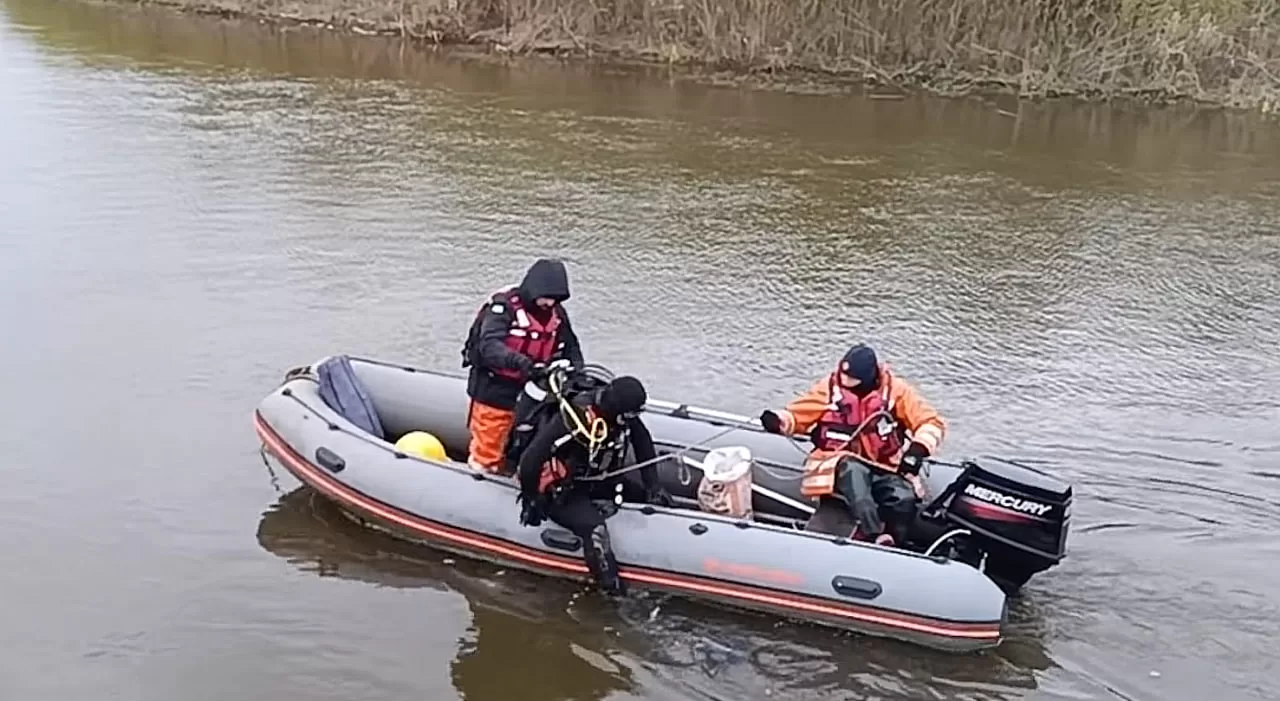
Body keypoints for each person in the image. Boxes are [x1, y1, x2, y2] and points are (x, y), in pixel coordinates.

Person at [759, 343, 945, 547]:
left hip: (882, 465)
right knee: (853, 472)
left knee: (902, 498)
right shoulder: (830, 388)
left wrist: (917, 450)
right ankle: (873, 535)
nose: (845, 382)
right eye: (844, 377)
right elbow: (799, 414)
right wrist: (779, 420)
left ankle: (895, 541)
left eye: (852, 380)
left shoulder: (897, 393)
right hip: (835, 462)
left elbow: (930, 422)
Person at [514, 374, 673, 596]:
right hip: (566, 490)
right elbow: (531, 459)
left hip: (600, 479)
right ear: (619, 410)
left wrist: (652, 485)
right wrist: (532, 498)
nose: (633, 418)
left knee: (653, 499)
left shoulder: (622, 415)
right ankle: (612, 592)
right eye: (632, 414)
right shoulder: (574, 418)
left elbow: (642, 439)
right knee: (595, 530)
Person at [461, 258, 584, 474]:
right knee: (489, 448)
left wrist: (577, 374)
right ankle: (481, 472)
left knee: (530, 442)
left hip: (534, 391)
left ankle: (521, 474)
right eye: (546, 298)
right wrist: (524, 364)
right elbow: (489, 345)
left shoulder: (556, 313)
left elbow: (571, 346)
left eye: (555, 300)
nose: (549, 304)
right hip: (495, 389)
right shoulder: (503, 308)